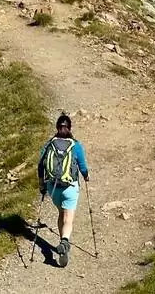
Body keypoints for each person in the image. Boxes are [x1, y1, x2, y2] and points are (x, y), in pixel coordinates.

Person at [37, 113, 89, 268]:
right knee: (68, 217)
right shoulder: (75, 145)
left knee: (61, 213)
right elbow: (82, 166)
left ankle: (62, 243)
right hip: (69, 187)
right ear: (70, 128)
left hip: (53, 188)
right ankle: (64, 241)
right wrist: (86, 176)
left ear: (57, 127)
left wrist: (41, 184)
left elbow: (40, 165)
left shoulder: (49, 144)